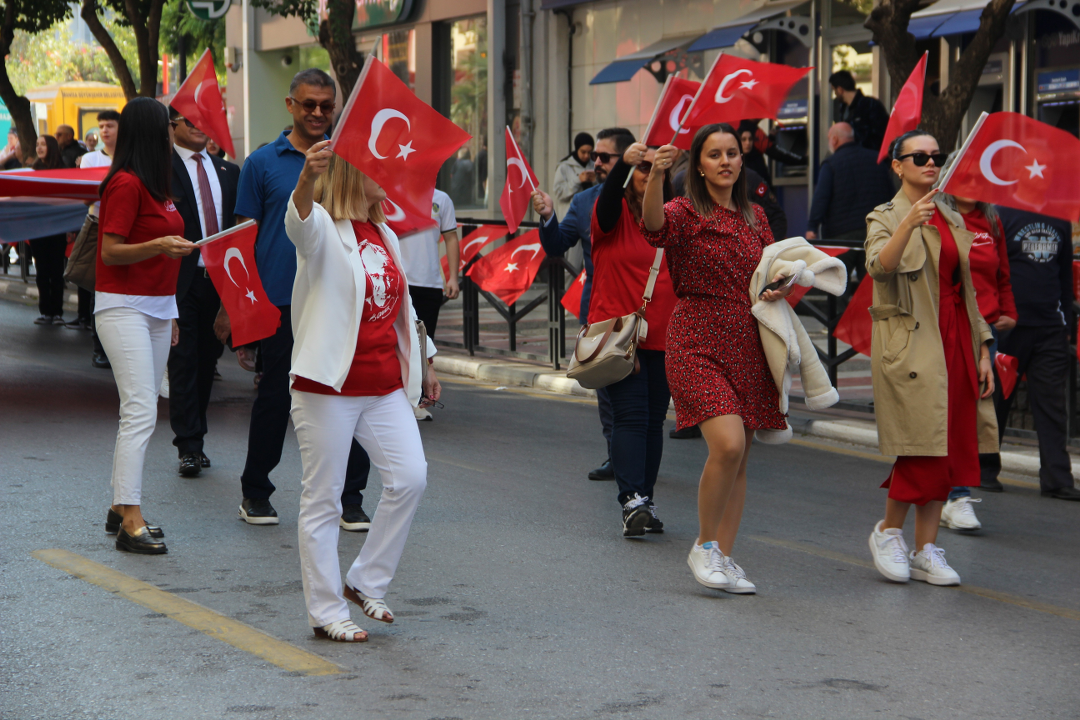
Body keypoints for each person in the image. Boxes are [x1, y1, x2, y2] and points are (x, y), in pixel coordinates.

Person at [286, 142, 439, 642]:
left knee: (410, 478)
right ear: (353, 175)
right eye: (380, 171)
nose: (389, 178)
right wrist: (307, 177)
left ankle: (364, 580)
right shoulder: (324, 231)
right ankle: (326, 610)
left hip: (382, 383)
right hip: (327, 385)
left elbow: (402, 302)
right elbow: (299, 221)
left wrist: (427, 356)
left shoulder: (385, 232)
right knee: (324, 499)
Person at [642, 125, 790, 595]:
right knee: (726, 445)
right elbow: (652, 227)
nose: (725, 161)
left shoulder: (756, 216)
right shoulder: (684, 210)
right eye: (714, 154)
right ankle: (704, 546)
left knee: (741, 457)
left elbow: (769, 269)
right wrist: (653, 177)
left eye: (732, 153)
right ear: (699, 164)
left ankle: (724, 556)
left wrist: (779, 284)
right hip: (695, 339)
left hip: (748, 338)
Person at [227, 68, 372, 529]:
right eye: (308, 104)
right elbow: (242, 240)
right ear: (290, 105)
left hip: (341, 302)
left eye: (326, 106)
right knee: (275, 397)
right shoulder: (261, 163)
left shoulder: (350, 159)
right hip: (281, 303)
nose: (317, 113)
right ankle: (256, 491)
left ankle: (351, 499)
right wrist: (236, 311)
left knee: (349, 395)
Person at [863, 130, 997, 587]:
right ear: (897, 165)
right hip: (914, 340)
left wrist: (982, 347)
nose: (930, 162)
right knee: (923, 445)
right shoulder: (885, 215)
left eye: (935, 156)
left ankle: (925, 549)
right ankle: (888, 533)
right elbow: (879, 267)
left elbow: (968, 290)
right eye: (919, 156)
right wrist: (908, 225)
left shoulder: (951, 215)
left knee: (951, 444)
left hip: (956, 334)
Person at [95, 97, 198, 554]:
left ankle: (120, 507)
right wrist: (159, 243)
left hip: (157, 309)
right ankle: (130, 518)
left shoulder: (156, 186)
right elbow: (110, 251)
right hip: (122, 307)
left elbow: (164, 259)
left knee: (140, 411)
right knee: (139, 410)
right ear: (151, 132)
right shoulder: (125, 184)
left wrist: (170, 311)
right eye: (167, 126)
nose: (172, 133)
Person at [531, 127, 635, 482]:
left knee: (647, 393)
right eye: (595, 157)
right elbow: (558, 245)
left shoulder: (646, 197)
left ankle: (640, 460)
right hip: (601, 311)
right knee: (606, 389)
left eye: (605, 157)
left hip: (646, 310)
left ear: (628, 159)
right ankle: (616, 455)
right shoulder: (584, 201)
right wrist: (547, 215)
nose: (596, 163)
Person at [589, 141, 678, 538]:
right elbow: (607, 201)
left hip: (665, 333)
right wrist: (619, 167)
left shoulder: (670, 219)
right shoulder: (613, 214)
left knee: (653, 422)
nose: (647, 174)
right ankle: (631, 500)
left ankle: (645, 499)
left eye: (655, 169)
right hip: (621, 336)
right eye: (642, 168)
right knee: (630, 416)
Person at [982, 208, 1080, 501]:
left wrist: (1067, 325)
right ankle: (984, 468)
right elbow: (992, 271)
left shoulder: (1060, 219)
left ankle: (1057, 479)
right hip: (1009, 324)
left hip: (1050, 326)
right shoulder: (999, 215)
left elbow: (1064, 277)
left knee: (1052, 405)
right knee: (996, 399)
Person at [167, 106, 239, 477]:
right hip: (181, 278)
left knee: (207, 361)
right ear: (173, 125)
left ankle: (198, 436)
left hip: (221, 280)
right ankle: (189, 445)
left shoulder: (228, 171)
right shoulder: (160, 168)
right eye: (190, 120)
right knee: (182, 360)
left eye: (203, 120)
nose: (199, 127)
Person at [937, 193, 1016, 530]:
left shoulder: (993, 219)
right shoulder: (938, 217)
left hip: (985, 331)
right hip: (950, 326)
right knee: (949, 411)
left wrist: (1009, 311)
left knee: (975, 412)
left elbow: (1002, 275)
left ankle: (956, 494)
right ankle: (951, 494)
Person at [396, 187, 459, 421]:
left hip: (430, 283)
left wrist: (453, 276)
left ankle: (417, 400)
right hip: (401, 280)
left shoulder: (442, 199)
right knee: (399, 344)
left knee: (423, 344)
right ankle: (398, 400)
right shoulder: (393, 196)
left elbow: (451, 237)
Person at [75, 111, 121, 369]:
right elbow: (84, 198)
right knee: (99, 288)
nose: (104, 130)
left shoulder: (129, 158)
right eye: (101, 126)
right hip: (98, 226)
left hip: (127, 230)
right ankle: (99, 347)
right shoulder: (90, 159)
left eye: (110, 126)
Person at [806, 122, 894, 242]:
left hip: (841, 234)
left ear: (835, 139)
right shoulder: (876, 158)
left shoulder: (831, 164)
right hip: (876, 231)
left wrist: (812, 227)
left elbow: (821, 197)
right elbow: (891, 194)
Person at [28, 134, 68, 325]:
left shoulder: (62, 170)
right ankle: (45, 311)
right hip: (37, 229)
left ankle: (57, 312)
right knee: (41, 271)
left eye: (43, 144)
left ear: (51, 147)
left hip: (57, 228)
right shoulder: (32, 170)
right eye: (37, 145)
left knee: (56, 271)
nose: (39, 148)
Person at [829, 70, 889, 154]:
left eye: (834, 90)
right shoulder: (842, 109)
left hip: (869, 158)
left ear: (840, 90)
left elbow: (881, 135)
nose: (835, 94)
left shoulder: (870, 105)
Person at [553, 132, 595, 221]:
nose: (586, 156)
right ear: (577, 149)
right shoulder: (564, 166)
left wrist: (596, 180)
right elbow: (559, 193)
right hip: (571, 219)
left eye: (589, 152)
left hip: (591, 218)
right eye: (583, 152)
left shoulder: (596, 165)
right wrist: (578, 180)